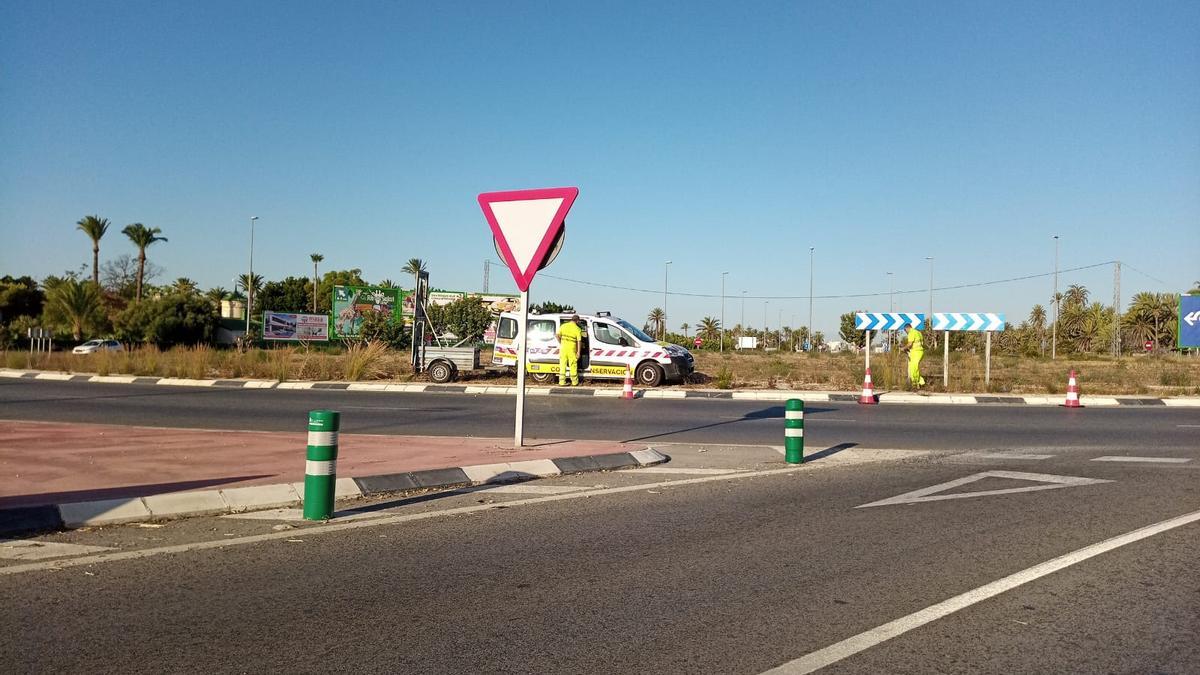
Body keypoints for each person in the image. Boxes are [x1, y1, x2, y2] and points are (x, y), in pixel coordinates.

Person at [555, 314, 583, 386]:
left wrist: (561, 342)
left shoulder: (563, 326)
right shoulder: (577, 329)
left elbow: (557, 335)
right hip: (572, 349)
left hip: (563, 348)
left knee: (562, 365)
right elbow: (579, 341)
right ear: (577, 321)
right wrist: (578, 352)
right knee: (573, 365)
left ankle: (561, 382)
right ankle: (574, 382)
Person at [901, 322, 926, 389]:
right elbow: (921, 343)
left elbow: (910, 344)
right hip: (919, 352)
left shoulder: (911, 333)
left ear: (907, 328)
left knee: (913, 368)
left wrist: (903, 348)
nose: (905, 332)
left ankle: (916, 382)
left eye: (905, 330)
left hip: (916, 352)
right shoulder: (918, 332)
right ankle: (920, 382)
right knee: (915, 368)